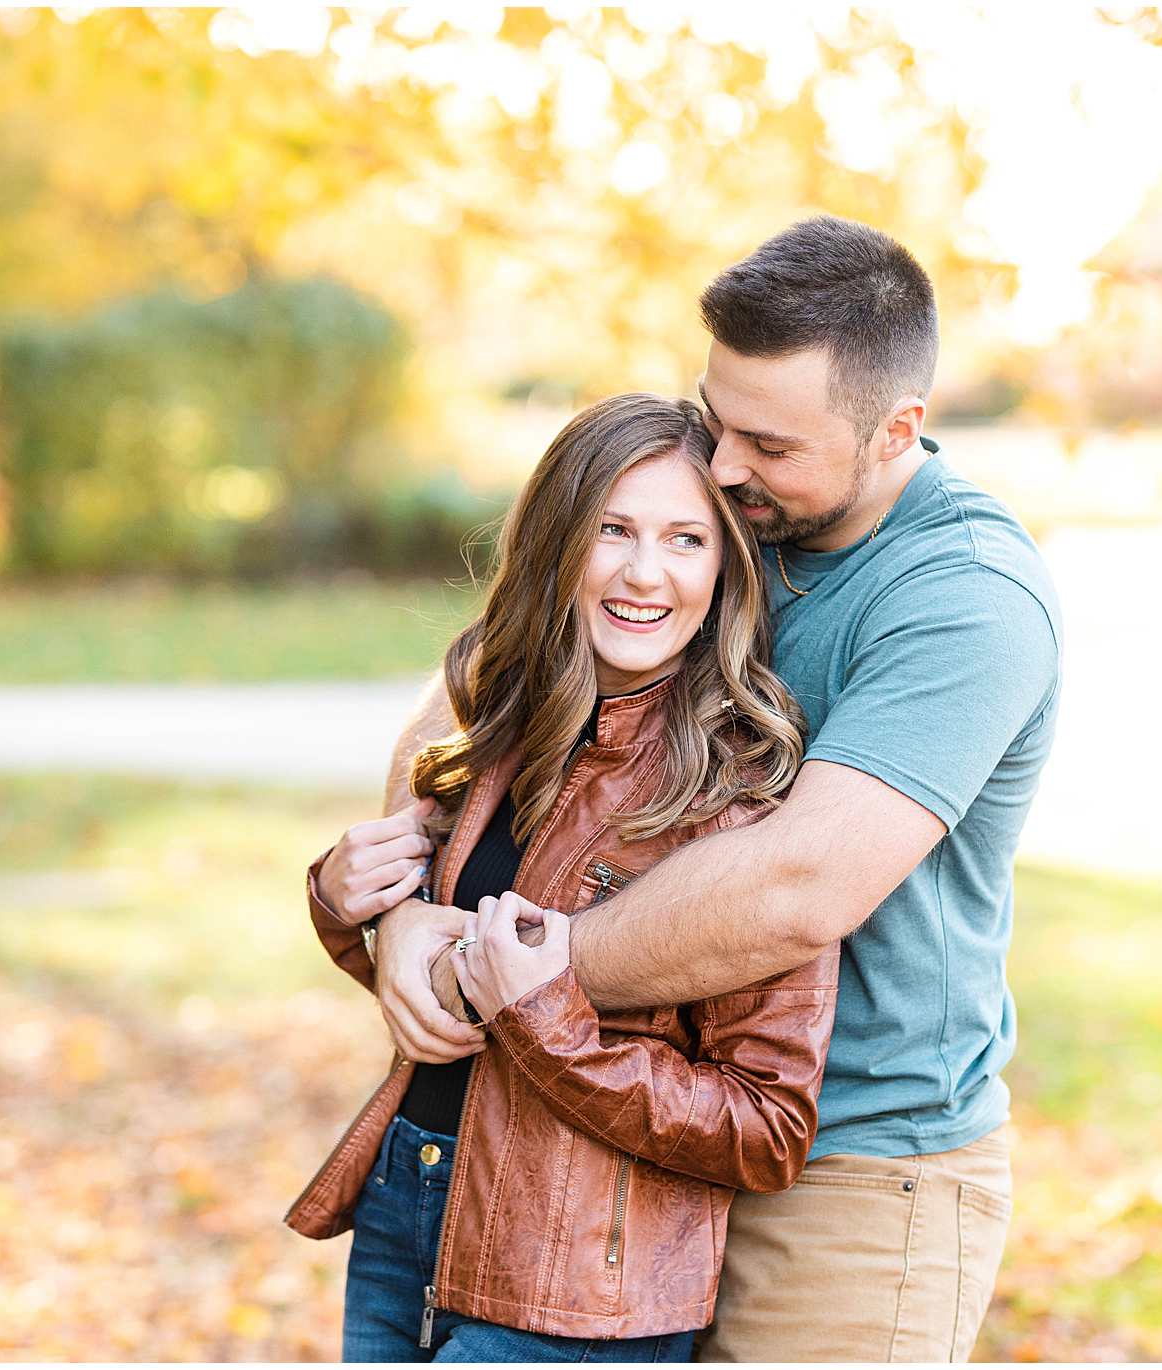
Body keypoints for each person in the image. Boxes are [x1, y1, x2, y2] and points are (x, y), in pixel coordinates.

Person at [316, 216, 1064, 1361]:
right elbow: (475, 698)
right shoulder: (728, 510)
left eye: (764, 442)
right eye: (714, 419)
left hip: (852, 1168)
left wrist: (496, 970)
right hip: (616, 1135)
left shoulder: (964, 597)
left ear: (893, 431)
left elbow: (793, 885)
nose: (721, 466)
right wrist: (407, 905)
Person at [285, 393, 840, 1362]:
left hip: (574, 1287)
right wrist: (346, 903)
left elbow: (767, 1123)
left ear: (724, 569)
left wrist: (551, 1021)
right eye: (612, 530)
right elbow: (441, 966)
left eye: (683, 539)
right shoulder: (504, 721)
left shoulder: (736, 790)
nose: (641, 571)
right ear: (557, 541)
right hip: (403, 1211)